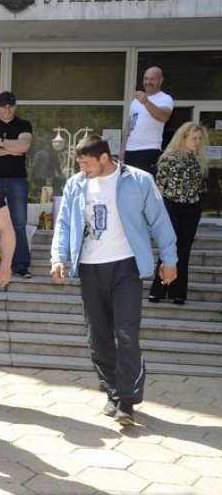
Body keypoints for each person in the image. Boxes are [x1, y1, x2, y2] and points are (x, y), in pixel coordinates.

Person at [51, 135, 177, 426]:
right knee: (98, 336)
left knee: (126, 333)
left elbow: (160, 221)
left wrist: (169, 260)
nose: (82, 168)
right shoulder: (77, 184)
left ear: (104, 157)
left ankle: (127, 401)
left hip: (126, 266)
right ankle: (113, 392)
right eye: (79, 163)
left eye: (86, 162)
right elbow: (65, 221)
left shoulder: (139, 180)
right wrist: (59, 257)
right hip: (90, 267)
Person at [149, 122, 208, 305]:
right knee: (169, 246)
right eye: (194, 138)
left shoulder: (199, 160)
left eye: (199, 139)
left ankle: (178, 292)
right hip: (171, 205)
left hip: (192, 208)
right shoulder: (169, 158)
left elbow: (202, 187)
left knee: (185, 248)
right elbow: (158, 187)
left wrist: (198, 203)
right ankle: (159, 289)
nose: (197, 142)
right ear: (183, 137)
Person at [0, 91, 33, 279]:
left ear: (15, 106)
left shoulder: (24, 124)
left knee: (19, 223)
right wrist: (11, 149)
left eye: (10, 106)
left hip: (17, 179)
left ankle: (20, 266)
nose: (7, 109)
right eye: (3, 106)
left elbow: (24, 147)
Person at [121, 67, 173, 178]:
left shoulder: (165, 98)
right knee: (129, 185)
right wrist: (122, 149)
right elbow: (129, 126)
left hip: (149, 150)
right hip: (130, 151)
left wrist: (146, 102)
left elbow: (164, 116)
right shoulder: (135, 102)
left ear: (161, 80)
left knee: (145, 186)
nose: (148, 82)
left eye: (152, 79)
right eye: (146, 78)